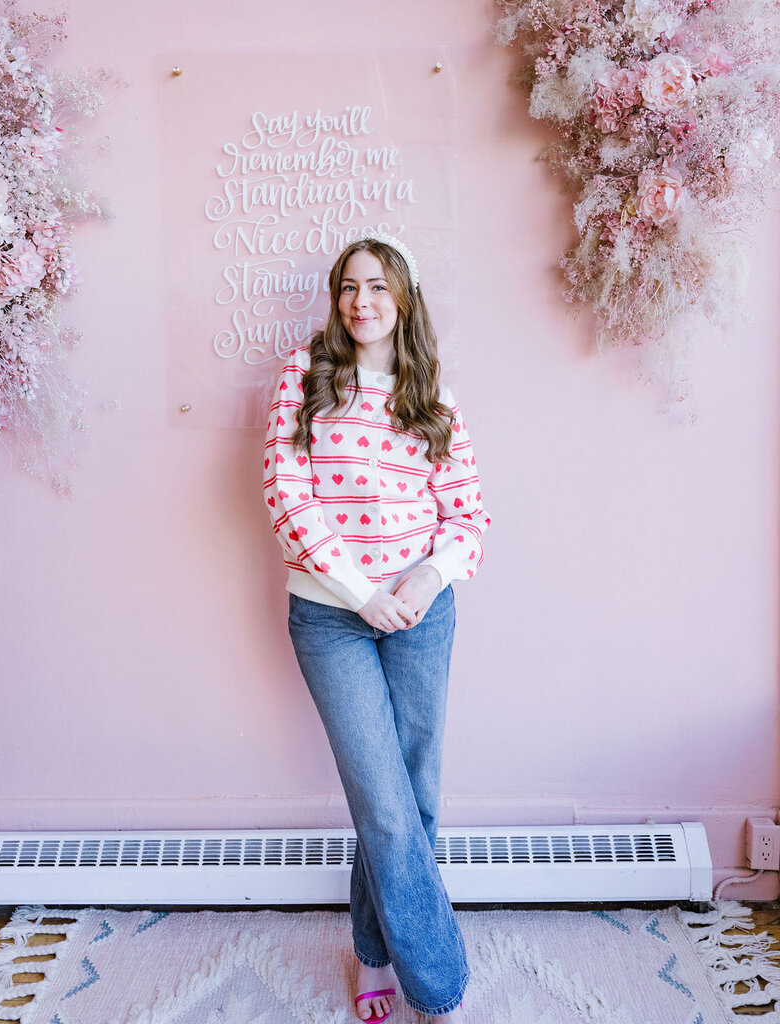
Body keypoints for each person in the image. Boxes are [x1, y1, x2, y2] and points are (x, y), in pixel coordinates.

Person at [263, 233, 489, 1023]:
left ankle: (375, 954)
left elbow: (466, 517)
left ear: (404, 301)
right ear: (337, 300)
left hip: (423, 613)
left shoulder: (435, 400)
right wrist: (362, 594)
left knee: (414, 796)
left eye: (379, 288)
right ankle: (441, 988)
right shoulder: (305, 377)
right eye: (350, 287)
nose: (363, 301)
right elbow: (287, 498)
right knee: (384, 803)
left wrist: (424, 580)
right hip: (333, 617)